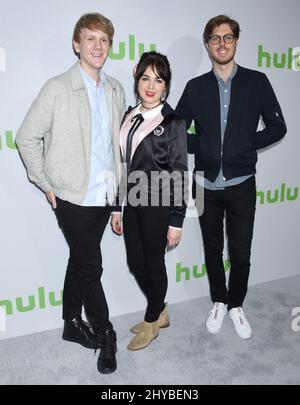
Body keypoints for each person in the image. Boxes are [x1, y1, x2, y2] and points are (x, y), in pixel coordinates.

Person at [16, 12, 126, 374]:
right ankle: (106, 333)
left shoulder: (115, 89)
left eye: (104, 40)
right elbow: (26, 137)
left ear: (109, 46)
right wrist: (46, 184)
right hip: (72, 198)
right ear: (76, 45)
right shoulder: (58, 87)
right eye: (90, 39)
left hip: (104, 195)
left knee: (79, 261)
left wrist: (118, 202)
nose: (98, 46)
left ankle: (70, 323)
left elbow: (118, 149)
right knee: (90, 266)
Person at [176, 15, 287, 339]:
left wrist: (247, 142)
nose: (222, 43)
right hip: (205, 184)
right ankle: (219, 301)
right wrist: (205, 145)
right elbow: (175, 130)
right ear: (208, 44)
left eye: (228, 37)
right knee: (211, 250)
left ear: (236, 41)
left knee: (240, 252)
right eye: (215, 38)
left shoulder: (257, 81)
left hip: (241, 184)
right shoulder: (195, 88)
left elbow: (278, 126)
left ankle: (236, 304)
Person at [111, 51, 188, 350]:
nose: (151, 85)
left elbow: (181, 172)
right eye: (145, 78)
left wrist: (177, 220)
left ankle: (152, 319)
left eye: (158, 79)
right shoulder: (129, 115)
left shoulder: (173, 121)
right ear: (137, 80)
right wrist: (117, 207)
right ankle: (160, 309)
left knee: (154, 264)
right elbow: (121, 164)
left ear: (167, 85)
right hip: (131, 202)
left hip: (158, 203)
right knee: (135, 263)